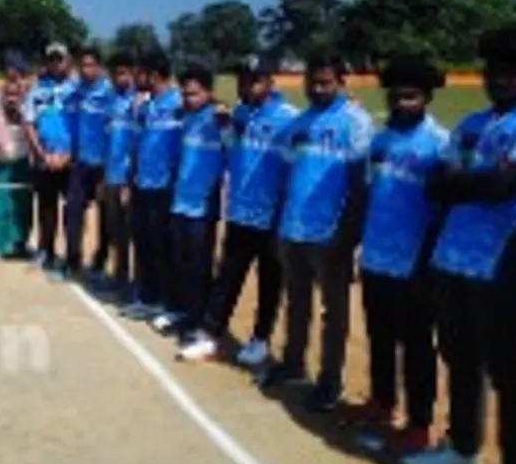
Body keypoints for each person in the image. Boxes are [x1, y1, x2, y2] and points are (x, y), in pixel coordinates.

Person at [402, 24, 516, 464]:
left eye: (513, 71)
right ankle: (462, 449)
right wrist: (472, 182)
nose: (500, 79)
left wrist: (466, 181)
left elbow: (509, 185)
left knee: (508, 372)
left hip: (505, 263)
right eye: (493, 70)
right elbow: (436, 183)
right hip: (452, 257)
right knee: (459, 358)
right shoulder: (471, 126)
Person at [332, 53, 447, 456]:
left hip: (414, 262)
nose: (401, 104)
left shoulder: (439, 145)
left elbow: (444, 211)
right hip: (377, 256)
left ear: (427, 98)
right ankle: (381, 402)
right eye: (396, 96)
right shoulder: (380, 141)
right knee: (380, 336)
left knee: (416, 345)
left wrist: (429, 260)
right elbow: (365, 195)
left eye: (411, 97)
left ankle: (419, 424)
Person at [259, 51, 373, 414]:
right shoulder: (300, 122)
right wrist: (280, 225)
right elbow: (288, 175)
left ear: (341, 82)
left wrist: (348, 234)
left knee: (334, 311)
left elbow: (360, 185)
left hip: (330, 234)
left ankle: (329, 380)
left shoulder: (355, 122)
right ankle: (293, 362)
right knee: (296, 301)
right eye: (313, 82)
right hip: (293, 228)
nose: (317, 89)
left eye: (326, 83)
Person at [178, 56, 297, 365]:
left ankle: (259, 340)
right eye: (242, 80)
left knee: (269, 280)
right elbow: (234, 153)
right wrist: (226, 128)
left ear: (270, 82)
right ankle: (211, 335)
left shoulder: (288, 118)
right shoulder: (240, 113)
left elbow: (292, 168)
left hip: (271, 215)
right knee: (227, 276)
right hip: (239, 211)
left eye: (254, 81)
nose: (246, 87)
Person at [160, 62, 225, 340]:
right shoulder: (185, 118)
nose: (188, 99)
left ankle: (199, 319)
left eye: (194, 94)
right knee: (181, 262)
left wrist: (224, 111)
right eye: (185, 94)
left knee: (200, 265)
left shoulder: (219, 119)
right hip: (180, 202)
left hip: (203, 205)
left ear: (209, 93)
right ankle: (186, 312)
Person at [121, 49, 182, 321]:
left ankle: (168, 301)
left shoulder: (179, 104)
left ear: (154, 75)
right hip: (141, 185)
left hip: (164, 188)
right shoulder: (145, 106)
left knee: (163, 248)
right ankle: (148, 297)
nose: (136, 78)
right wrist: (128, 181)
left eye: (140, 73)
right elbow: (136, 147)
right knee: (143, 243)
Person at [23, 42, 75, 278]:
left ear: (68, 61)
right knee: (46, 208)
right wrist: (42, 154)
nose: (55, 63)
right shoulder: (36, 89)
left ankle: (71, 257)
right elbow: (29, 123)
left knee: (71, 210)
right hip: (44, 159)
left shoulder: (77, 89)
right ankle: (47, 251)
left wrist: (68, 155)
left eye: (60, 59)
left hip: (70, 160)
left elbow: (85, 125)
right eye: (51, 59)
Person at [63, 47, 113, 281]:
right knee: (73, 210)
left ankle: (100, 260)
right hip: (79, 162)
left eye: (91, 65)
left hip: (103, 164)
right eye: (83, 65)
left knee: (106, 216)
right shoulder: (74, 91)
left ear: (100, 68)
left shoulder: (109, 93)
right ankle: (73, 260)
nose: (86, 70)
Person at [97, 50, 139, 297]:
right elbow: (107, 139)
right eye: (114, 73)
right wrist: (104, 177)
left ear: (132, 73)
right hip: (111, 174)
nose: (118, 78)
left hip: (129, 178)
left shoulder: (139, 102)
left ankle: (139, 284)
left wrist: (129, 182)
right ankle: (120, 277)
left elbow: (138, 144)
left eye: (123, 73)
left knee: (136, 233)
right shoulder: (111, 100)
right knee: (116, 231)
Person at [0, 80, 33, 259]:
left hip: (21, 164)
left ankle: (19, 244)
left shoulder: (28, 117)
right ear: (2, 97)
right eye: (8, 95)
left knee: (21, 206)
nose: (12, 99)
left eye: (16, 95)